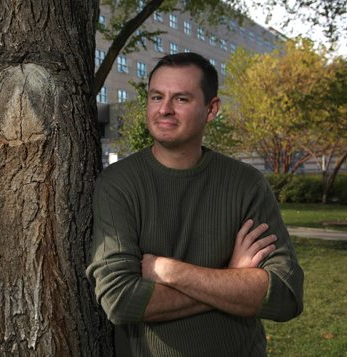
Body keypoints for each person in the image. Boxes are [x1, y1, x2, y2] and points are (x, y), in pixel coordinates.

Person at [86, 52, 304, 356]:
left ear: (211, 109)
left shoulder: (246, 184)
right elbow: (120, 300)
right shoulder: (118, 184)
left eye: (181, 99)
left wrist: (170, 270)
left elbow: (285, 295)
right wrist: (231, 278)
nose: (164, 109)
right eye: (156, 96)